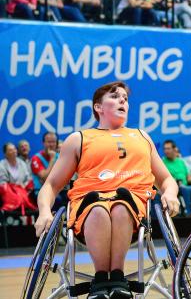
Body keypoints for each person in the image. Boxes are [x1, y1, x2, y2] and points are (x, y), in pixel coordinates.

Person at [33, 81, 179, 299]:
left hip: (132, 208)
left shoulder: (142, 136)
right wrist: (44, 211)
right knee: (99, 208)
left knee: (120, 206)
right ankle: (102, 278)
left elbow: (167, 179)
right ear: (98, 107)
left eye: (125, 98)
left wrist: (170, 193)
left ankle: (117, 277)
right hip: (89, 206)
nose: (123, 100)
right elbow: (51, 185)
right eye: (115, 96)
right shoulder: (79, 139)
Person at [161, 140, 191, 217]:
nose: (166, 151)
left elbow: (188, 176)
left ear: (174, 149)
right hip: (174, 187)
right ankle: (188, 214)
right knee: (185, 189)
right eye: (165, 149)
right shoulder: (162, 162)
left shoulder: (181, 161)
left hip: (185, 186)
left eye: (168, 148)